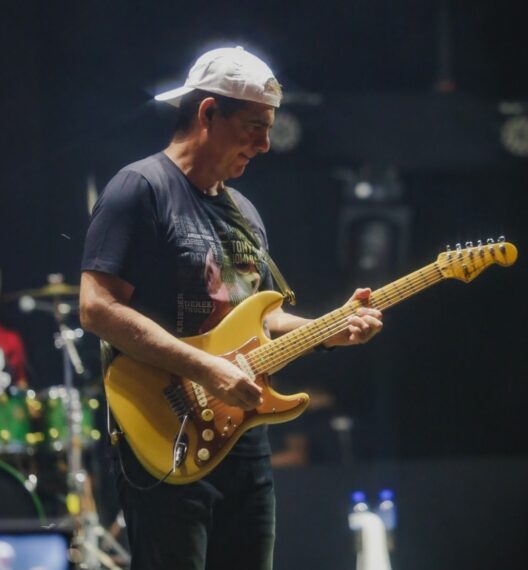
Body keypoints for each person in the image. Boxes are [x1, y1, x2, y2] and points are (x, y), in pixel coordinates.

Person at [78, 46, 384, 569]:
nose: (265, 145)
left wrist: (329, 329)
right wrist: (204, 368)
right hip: (165, 429)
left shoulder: (243, 212)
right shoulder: (141, 189)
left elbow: (262, 316)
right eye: (254, 127)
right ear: (207, 114)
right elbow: (97, 308)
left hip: (242, 439)